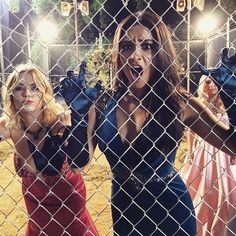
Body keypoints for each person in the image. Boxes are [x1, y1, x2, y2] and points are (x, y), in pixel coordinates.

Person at [60, 11, 236, 236]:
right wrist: (80, 117)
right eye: (126, 46)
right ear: (118, 55)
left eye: (147, 46)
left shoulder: (179, 103)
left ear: (159, 52)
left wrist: (233, 101)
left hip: (173, 213)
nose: (135, 55)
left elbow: (233, 146)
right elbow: (78, 164)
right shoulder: (102, 104)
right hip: (126, 214)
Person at [0, 64, 99, 235]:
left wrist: (80, 117)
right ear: (11, 95)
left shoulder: (61, 120)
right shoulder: (9, 125)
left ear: (44, 92)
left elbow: (80, 162)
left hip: (71, 211)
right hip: (38, 218)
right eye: (19, 88)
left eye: (34, 87)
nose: (27, 94)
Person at [179, 75, 236, 236]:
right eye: (206, 83)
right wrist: (190, 150)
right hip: (204, 149)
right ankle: (199, 221)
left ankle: (219, 225)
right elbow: (191, 131)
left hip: (222, 152)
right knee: (202, 186)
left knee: (225, 190)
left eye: (213, 83)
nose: (210, 86)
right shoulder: (199, 103)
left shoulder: (226, 103)